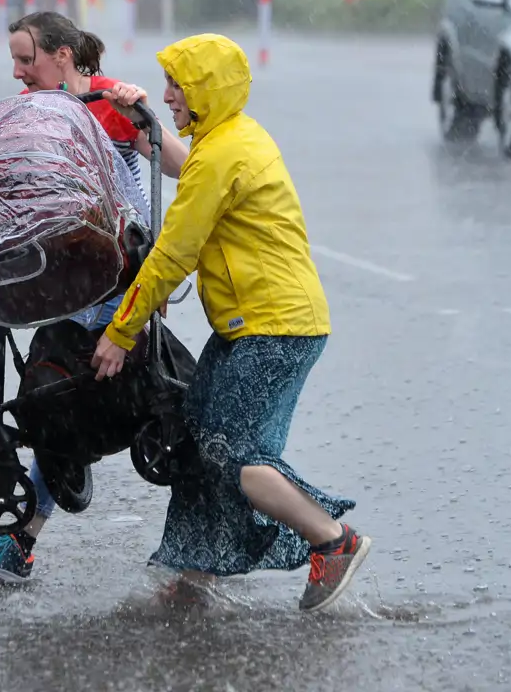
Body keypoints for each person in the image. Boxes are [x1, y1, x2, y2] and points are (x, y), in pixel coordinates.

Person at [91, 33, 371, 613]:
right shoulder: (230, 138)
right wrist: (139, 117)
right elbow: (184, 173)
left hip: (275, 328)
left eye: (177, 86)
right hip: (258, 325)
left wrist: (120, 332)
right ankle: (197, 581)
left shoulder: (221, 154)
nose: (168, 96)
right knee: (200, 444)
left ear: (205, 91)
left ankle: (332, 541)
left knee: (238, 456)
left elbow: (172, 253)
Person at [0, 11, 189, 584]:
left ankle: (227, 537)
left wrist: (144, 121)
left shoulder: (109, 104)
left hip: (117, 289)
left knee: (171, 407)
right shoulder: (31, 118)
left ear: (62, 55)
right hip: (64, 291)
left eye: (25, 59)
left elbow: (183, 166)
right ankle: (20, 544)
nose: (16, 72)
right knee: (57, 404)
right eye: (12, 60)